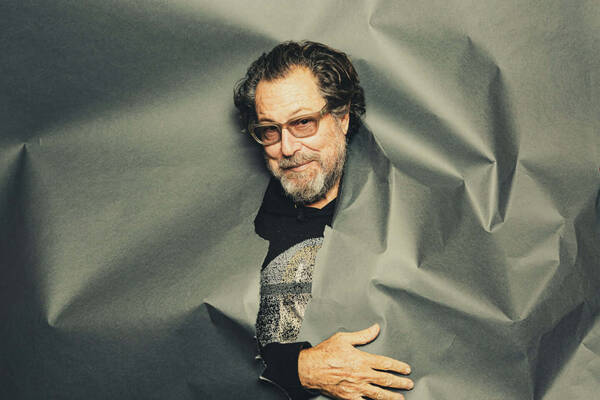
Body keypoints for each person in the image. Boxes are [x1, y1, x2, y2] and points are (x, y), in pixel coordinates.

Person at [234, 41, 414, 400]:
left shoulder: (405, 216)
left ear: (342, 118)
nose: (287, 148)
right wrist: (300, 369)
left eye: (303, 123)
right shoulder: (243, 228)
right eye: (269, 130)